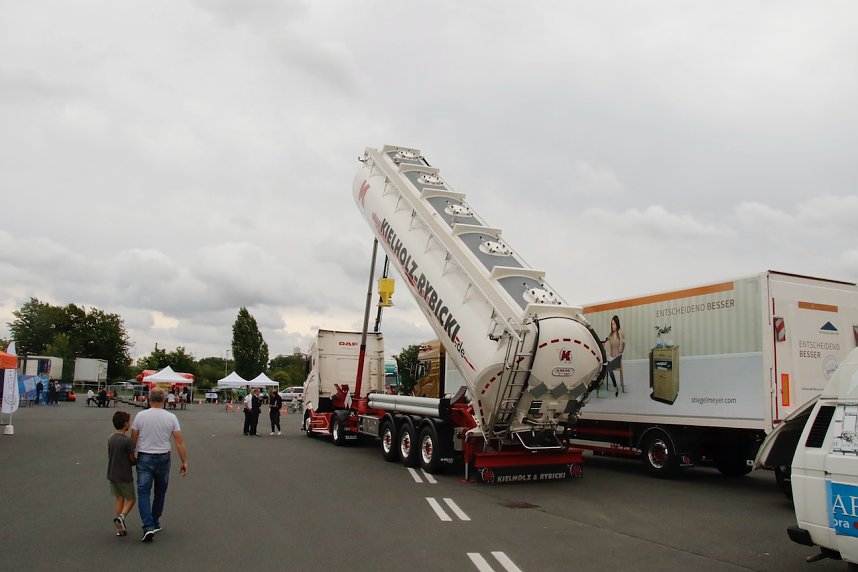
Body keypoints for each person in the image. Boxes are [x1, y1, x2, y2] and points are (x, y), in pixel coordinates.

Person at [130, 387, 188, 542]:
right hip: (163, 456)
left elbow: (133, 438)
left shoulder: (140, 416)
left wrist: (131, 455)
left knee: (143, 492)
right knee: (160, 492)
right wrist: (184, 461)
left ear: (149, 399)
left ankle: (147, 525)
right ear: (164, 400)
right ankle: (155, 521)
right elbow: (179, 442)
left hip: (145, 456)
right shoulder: (171, 417)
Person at [108, 410, 137, 537]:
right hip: (124, 474)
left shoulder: (110, 438)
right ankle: (121, 517)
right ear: (126, 424)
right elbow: (131, 458)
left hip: (112, 472)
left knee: (119, 498)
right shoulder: (127, 441)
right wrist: (137, 461)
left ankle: (120, 527)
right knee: (131, 499)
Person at [602, 315, 626, 397]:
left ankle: (614, 386)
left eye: (614, 324)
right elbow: (607, 341)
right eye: (612, 324)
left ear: (617, 324)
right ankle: (613, 386)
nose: (613, 326)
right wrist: (604, 342)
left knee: (608, 367)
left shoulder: (621, 333)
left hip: (618, 357)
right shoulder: (611, 335)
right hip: (611, 357)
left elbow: (621, 350)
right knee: (605, 365)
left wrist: (621, 338)